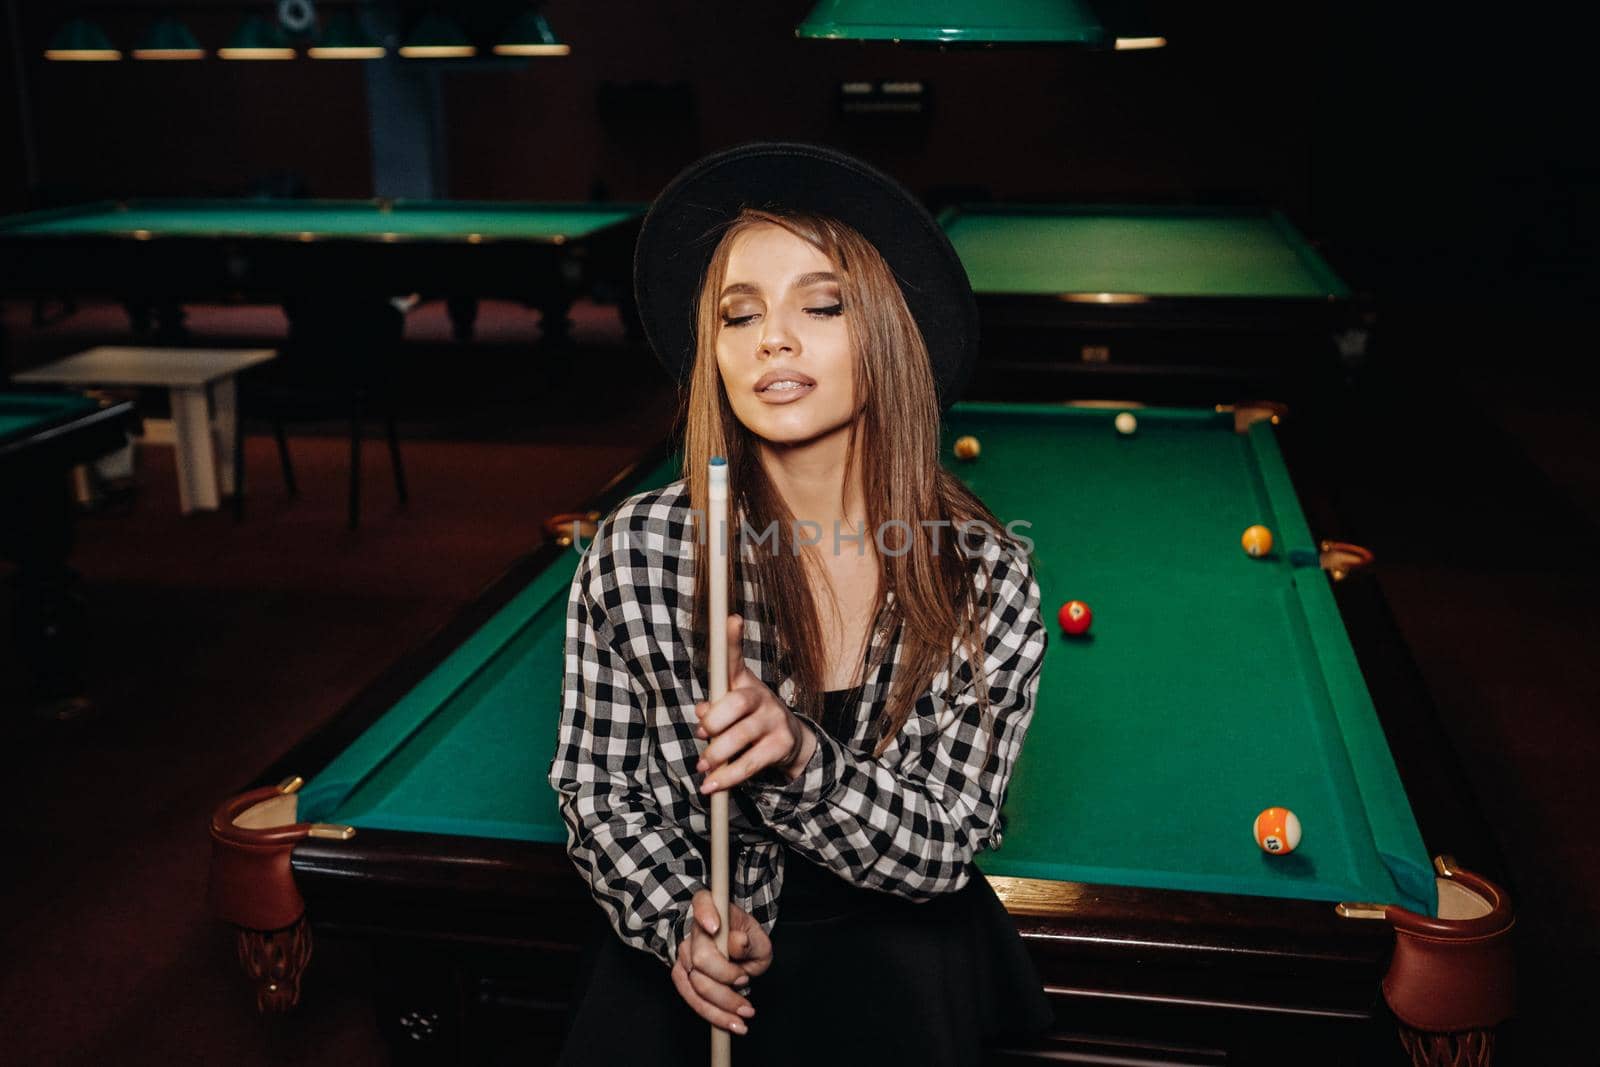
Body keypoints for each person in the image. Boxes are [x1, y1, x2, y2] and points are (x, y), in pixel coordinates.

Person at [550, 142, 1052, 1066]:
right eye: (739, 316)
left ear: (889, 334)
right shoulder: (640, 547)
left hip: (899, 952)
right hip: (701, 951)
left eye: (821, 305)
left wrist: (793, 754)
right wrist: (679, 923)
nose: (772, 338)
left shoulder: (986, 573)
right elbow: (600, 792)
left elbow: (943, 844)